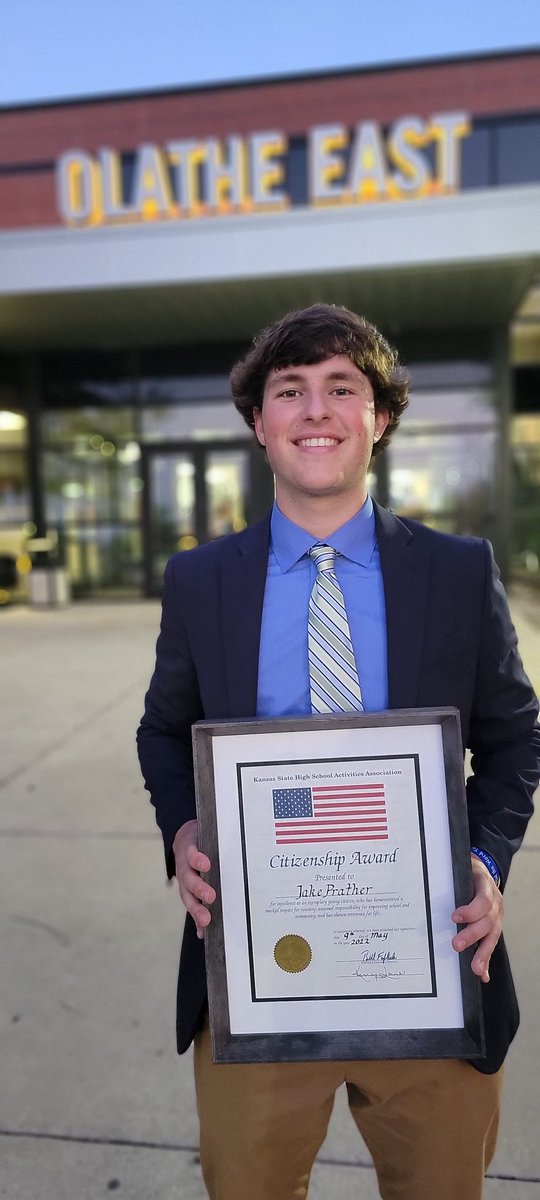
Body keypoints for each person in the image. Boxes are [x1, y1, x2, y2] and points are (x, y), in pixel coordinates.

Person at [137, 304, 539, 1200]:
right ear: (259, 423)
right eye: (290, 390)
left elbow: (516, 736)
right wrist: (185, 828)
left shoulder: (458, 571)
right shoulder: (201, 580)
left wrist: (483, 860)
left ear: (379, 417)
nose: (315, 410)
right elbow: (163, 729)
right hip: (257, 975)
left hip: (434, 966)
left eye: (341, 388)